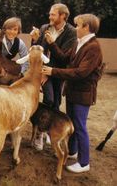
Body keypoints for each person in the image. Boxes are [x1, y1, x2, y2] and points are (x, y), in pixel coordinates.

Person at [42, 13, 103, 173]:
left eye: (78, 25)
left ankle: (84, 163)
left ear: (86, 27)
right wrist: (52, 44)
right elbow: (64, 58)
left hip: (83, 94)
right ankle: (73, 151)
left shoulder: (93, 47)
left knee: (80, 126)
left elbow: (80, 73)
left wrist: (52, 71)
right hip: (72, 92)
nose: (75, 28)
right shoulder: (78, 42)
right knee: (73, 124)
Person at [30, 3, 76, 150]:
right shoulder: (45, 28)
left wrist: (52, 43)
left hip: (58, 73)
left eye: (53, 14)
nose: (49, 16)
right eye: (50, 14)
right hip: (43, 72)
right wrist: (34, 40)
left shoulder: (71, 32)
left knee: (56, 103)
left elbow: (64, 59)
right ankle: (39, 134)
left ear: (63, 16)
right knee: (48, 99)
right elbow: (38, 51)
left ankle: (49, 131)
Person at [0, 17, 29, 86]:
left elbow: (25, 60)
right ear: (4, 30)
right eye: (9, 29)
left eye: (15, 30)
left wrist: (20, 73)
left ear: (18, 31)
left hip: (5, 73)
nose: (12, 32)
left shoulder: (20, 43)